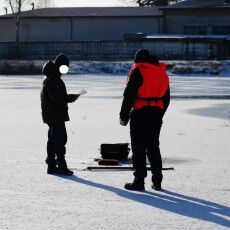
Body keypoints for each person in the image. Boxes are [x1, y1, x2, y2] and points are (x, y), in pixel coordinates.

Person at [120, 49, 170, 191]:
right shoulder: (162, 72)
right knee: (153, 146)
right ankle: (157, 181)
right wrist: (159, 114)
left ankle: (139, 180)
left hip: (140, 113)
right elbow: (166, 99)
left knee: (138, 148)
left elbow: (128, 96)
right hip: (156, 114)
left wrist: (123, 116)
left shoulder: (138, 71)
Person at [41, 54, 79, 176]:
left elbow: (56, 97)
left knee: (53, 140)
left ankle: (51, 165)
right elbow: (57, 98)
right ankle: (61, 166)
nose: (65, 71)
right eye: (64, 68)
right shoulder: (53, 79)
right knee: (60, 140)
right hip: (54, 115)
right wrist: (72, 97)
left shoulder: (52, 76)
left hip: (52, 115)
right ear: (59, 66)